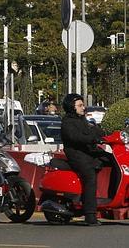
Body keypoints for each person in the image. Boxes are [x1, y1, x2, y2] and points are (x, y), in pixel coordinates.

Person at [60, 93, 106, 226]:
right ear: (71, 107)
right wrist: (93, 139)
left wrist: (109, 135)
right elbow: (76, 137)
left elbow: (97, 132)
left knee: (110, 161)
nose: (83, 107)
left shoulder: (84, 120)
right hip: (77, 156)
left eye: (83, 105)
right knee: (90, 176)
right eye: (79, 105)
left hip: (89, 153)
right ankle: (90, 214)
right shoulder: (67, 123)